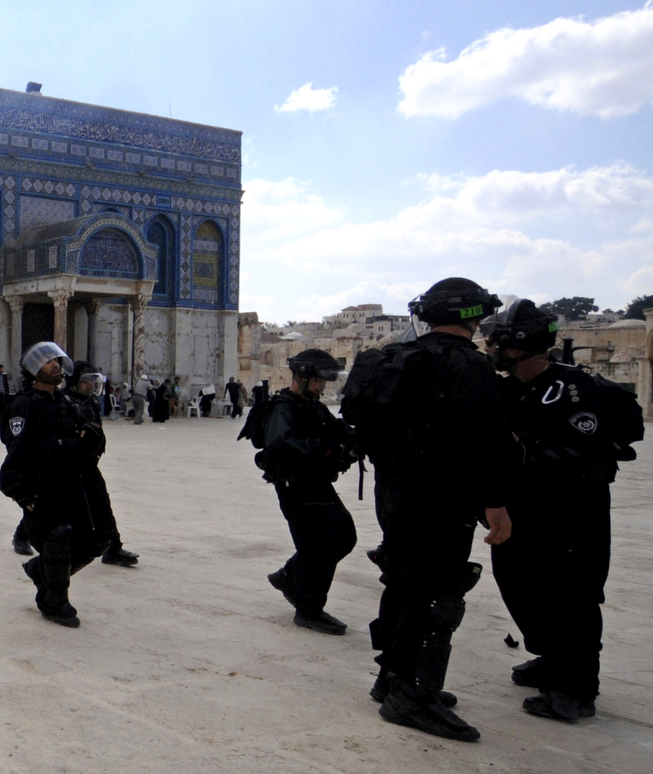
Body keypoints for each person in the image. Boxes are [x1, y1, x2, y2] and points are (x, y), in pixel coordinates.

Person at [341, 277, 515, 743]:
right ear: (474, 317)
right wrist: (495, 504)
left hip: (395, 493)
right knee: (437, 593)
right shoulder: (468, 367)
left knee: (402, 580)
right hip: (441, 499)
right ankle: (413, 696)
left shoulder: (396, 360)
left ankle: (391, 677)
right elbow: (482, 443)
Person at [485, 299, 643, 722]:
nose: (490, 347)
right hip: (523, 510)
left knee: (572, 596)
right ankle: (552, 657)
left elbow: (583, 453)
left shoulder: (572, 389)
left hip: (574, 512)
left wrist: (530, 454)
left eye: (497, 341)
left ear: (519, 346)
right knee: (517, 581)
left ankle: (576, 688)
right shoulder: (506, 388)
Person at [0, 341, 107, 627]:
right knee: (58, 537)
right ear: (35, 369)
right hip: (42, 486)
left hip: (72, 483)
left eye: (57, 361)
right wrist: (22, 494)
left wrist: (88, 438)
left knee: (94, 541)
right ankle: (54, 601)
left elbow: (89, 440)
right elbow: (18, 451)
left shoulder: (65, 403)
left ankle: (40, 569)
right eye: (49, 362)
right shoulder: (24, 404)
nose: (56, 365)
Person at [255, 350, 357, 635]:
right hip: (296, 485)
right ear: (300, 377)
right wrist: (323, 448)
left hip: (316, 481)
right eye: (317, 381)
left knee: (344, 535)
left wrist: (349, 441)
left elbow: (336, 429)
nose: (322, 386)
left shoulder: (312, 405)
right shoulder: (284, 408)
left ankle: (289, 576)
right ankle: (308, 610)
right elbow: (282, 444)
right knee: (319, 544)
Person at [68, 360, 139, 567]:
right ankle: (23, 534)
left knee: (102, 506)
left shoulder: (90, 401)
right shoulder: (65, 402)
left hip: (89, 465)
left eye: (93, 381)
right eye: (85, 381)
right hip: (69, 467)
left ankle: (113, 548)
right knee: (57, 507)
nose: (90, 386)